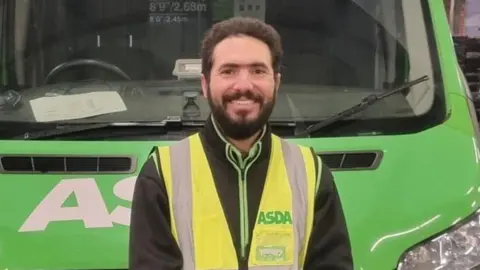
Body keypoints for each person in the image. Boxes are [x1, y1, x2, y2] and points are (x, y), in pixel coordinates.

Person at [129, 16, 353, 270]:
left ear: (276, 83)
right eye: (229, 71)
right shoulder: (161, 174)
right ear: (205, 84)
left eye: (258, 71)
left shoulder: (311, 173)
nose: (244, 85)